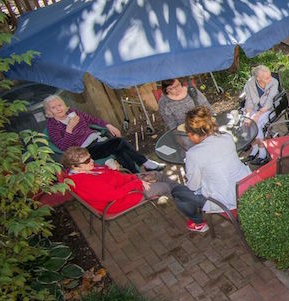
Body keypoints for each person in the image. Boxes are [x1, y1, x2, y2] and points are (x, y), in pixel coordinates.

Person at [60, 146, 203, 227]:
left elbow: (110, 177)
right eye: (87, 160)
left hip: (127, 184)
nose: (92, 161)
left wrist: (128, 174)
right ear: (74, 167)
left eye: (90, 157)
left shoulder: (86, 169)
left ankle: (189, 198)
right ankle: (196, 213)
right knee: (165, 186)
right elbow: (113, 195)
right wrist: (137, 182)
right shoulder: (84, 182)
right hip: (120, 200)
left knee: (157, 175)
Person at [44, 95, 162, 174]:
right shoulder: (52, 126)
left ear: (64, 105)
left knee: (118, 149)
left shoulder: (73, 112)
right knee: (118, 142)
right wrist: (69, 129)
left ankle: (137, 176)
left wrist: (108, 125)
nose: (58, 109)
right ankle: (145, 162)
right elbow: (63, 147)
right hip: (85, 151)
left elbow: (92, 119)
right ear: (49, 112)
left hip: (98, 140)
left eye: (59, 105)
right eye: (53, 108)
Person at [181, 107, 251, 232]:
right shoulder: (227, 137)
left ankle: (197, 222)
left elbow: (193, 186)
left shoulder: (193, 154)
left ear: (195, 134)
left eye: (188, 134)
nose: (188, 137)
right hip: (246, 186)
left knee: (179, 193)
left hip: (227, 200)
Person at [241, 65, 279, 163]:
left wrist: (257, 115)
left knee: (256, 124)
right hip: (254, 108)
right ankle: (255, 148)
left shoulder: (274, 82)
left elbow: (269, 101)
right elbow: (248, 100)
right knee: (245, 121)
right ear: (258, 78)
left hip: (268, 109)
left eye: (270, 76)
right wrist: (248, 115)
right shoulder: (250, 83)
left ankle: (262, 153)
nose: (270, 79)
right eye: (267, 78)